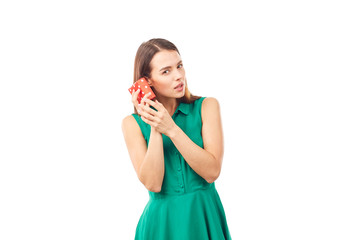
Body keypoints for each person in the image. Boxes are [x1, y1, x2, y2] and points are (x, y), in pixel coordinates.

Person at [122, 38, 232, 239]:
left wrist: (171, 128)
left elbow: (212, 172)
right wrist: (156, 125)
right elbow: (153, 184)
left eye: (179, 66)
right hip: (161, 225)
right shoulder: (131, 124)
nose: (179, 76)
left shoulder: (207, 107)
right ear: (147, 82)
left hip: (204, 215)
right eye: (166, 71)